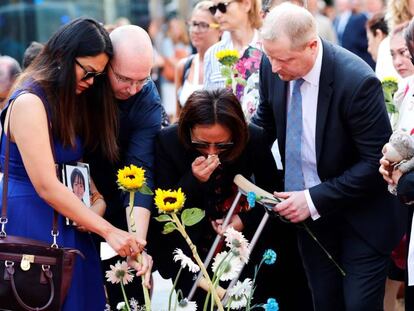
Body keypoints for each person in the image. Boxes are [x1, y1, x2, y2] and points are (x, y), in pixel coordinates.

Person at [251, 3, 406, 310]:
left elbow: (374, 164)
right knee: (325, 304)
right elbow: (262, 127)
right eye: (270, 57)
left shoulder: (357, 81)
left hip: (361, 220)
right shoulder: (272, 67)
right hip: (312, 224)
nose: (275, 66)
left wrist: (311, 199)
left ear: (311, 46)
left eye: (283, 59)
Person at [0, 18, 145, 311]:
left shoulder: (66, 98)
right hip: (31, 218)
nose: (91, 82)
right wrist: (108, 230)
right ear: (63, 56)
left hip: (69, 216)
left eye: (98, 76)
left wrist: (98, 200)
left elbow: (71, 165)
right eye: (88, 72)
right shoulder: (30, 101)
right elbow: (46, 184)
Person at [149, 88, 313, 310]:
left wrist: (244, 219)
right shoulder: (169, 142)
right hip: (194, 254)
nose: (212, 152)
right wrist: (193, 180)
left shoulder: (253, 138)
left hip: (245, 251)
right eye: (202, 144)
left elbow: (273, 194)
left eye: (222, 145)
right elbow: (161, 206)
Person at [84, 25, 161, 309]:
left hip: (124, 203)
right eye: (125, 79)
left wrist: (136, 243)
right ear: (106, 65)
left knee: (130, 292)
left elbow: (140, 171)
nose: (133, 89)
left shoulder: (146, 96)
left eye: (143, 79)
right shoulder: (85, 84)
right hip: (75, 196)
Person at [380, 18, 414, 311]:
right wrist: (389, 165)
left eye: (405, 52)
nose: (399, 61)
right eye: (393, 55)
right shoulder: (403, 92)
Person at [203, 0, 263, 120]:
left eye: (222, 6)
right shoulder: (213, 54)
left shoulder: (268, 48)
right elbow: (208, 105)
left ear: (246, 4)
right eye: (213, 9)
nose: (217, 15)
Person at [175, 1, 221, 119]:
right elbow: (177, 116)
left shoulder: (227, 65)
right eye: (193, 24)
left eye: (203, 25)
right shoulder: (184, 66)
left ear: (220, 30)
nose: (195, 30)